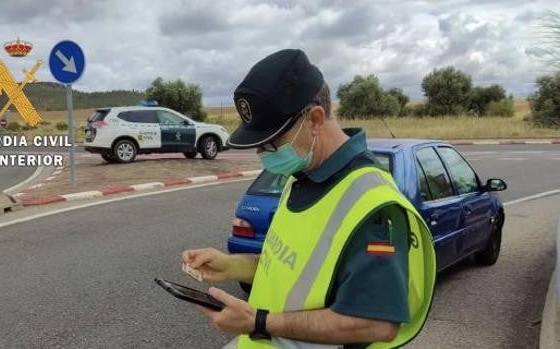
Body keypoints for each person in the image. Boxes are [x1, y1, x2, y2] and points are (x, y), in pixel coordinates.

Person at [182, 49, 436, 349]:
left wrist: (258, 322)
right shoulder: (301, 178)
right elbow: (293, 268)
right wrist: (230, 265)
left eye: (271, 142)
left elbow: (375, 323)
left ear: (315, 119)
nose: (263, 154)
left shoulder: (373, 206)